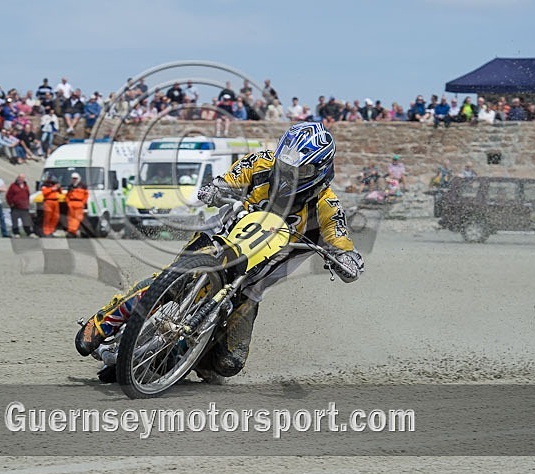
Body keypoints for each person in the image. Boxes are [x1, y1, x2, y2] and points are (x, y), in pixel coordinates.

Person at [75, 122, 364, 379]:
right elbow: (231, 177)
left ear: (321, 169)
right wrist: (216, 188)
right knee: (173, 283)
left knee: (229, 364)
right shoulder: (263, 162)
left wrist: (345, 259)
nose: (288, 173)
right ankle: (103, 321)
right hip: (217, 240)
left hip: (251, 284)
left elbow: (340, 239)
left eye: (300, 170)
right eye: (285, 165)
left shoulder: (328, 207)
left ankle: (180, 360)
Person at [6, 173, 34, 237]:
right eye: (19, 177)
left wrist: (27, 203)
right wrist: (11, 204)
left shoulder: (25, 185)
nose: (20, 179)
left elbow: (28, 194)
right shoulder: (13, 186)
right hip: (15, 206)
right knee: (15, 221)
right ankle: (16, 233)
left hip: (24, 206)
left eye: (22, 178)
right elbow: (8, 195)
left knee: (26, 220)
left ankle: (29, 232)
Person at [65, 172, 89, 237]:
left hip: (79, 203)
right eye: (73, 178)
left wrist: (82, 203)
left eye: (75, 178)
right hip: (72, 204)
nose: (74, 180)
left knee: (77, 218)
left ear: (78, 178)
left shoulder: (83, 186)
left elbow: (86, 195)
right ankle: (71, 231)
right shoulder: (70, 186)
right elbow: (67, 196)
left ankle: (72, 231)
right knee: (71, 218)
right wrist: (68, 203)